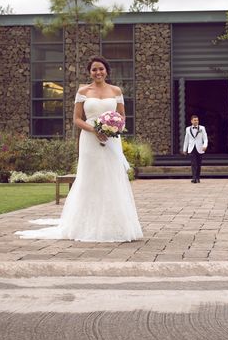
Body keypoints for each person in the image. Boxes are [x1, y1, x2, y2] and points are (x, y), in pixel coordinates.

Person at [15, 56, 143, 242]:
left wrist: (113, 129)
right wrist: (95, 130)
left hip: (111, 140)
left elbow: (122, 118)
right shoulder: (83, 91)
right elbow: (77, 119)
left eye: (101, 69)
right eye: (94, 70)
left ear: (106, 71)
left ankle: (116, 224)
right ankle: (85, 225)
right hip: (90, 140)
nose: (98, 72)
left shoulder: (116, 91)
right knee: (90, 177)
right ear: (89, 72)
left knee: (111, 177)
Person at [182, 114, 208, 183]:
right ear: (191, 121)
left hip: (200, 148)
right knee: (193, 163)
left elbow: (205, 139)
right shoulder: (188, 129)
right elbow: (186, 139)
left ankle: (198, 178)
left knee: (198, 164)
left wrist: (205, 146)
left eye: (197, 120)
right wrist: (184, 149)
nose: (196, 121)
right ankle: (194, 178)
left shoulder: (202, 128)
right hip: (191, 148)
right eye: (195, 120)